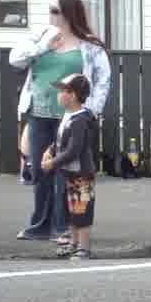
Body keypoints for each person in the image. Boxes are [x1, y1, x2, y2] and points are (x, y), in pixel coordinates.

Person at [10, 0, 110, 242]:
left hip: (72, 117)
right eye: (50, 10)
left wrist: (92, 110)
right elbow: (15, 60)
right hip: (39, 112)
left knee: (66, 170)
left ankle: (63, 226)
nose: (50, 16)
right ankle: (40, 225)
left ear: (68, 13)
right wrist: (44, 47)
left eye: (55, 11)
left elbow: (102, 80)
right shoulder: (40, 37)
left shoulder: (89, 45)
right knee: (41, 169)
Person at [41, 74, 98, 259]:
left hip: (81, 174)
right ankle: (74, 243)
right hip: (69, 172)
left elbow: (74, 149)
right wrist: (50, 151)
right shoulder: (68, 116)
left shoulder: (80, 120)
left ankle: (84, 247)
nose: (59, 94)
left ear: (73, 95)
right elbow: (59, 140)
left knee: (81, 210)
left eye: (63, 91)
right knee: (70, 210)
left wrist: (53, 163)